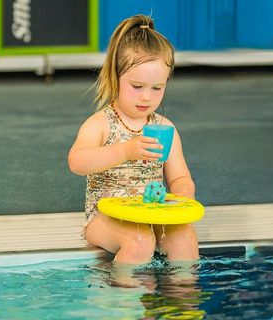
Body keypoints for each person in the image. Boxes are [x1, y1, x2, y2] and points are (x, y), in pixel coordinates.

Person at [68, 15, 198, 265]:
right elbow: (77, 162)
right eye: (137, 86)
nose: (146, 98)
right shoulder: (102, 124)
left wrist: (183, 195)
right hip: (105, 217)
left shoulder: (164, 128)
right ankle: (124, 301)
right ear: (115, 77)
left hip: (153, 214)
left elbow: (179, 177)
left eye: (157, 88)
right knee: (140, 242)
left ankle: (183, 301)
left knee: (185, 237)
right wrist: (125, 151)